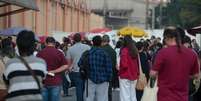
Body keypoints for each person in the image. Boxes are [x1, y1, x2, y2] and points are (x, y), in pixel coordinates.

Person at [150, 26, 200, 101]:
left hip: (165, 96)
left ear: (169, 37)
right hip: (183, 96)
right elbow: (196, 75)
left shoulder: (162, 53)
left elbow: (153, 73)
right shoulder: (192, 54)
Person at [3, 30, 47, 101]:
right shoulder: (41, 63)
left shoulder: (10, 63)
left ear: (18, 45)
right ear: (33, 45)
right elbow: (43, 81)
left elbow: (7, 82)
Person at [37, 37, 68, 101]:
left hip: (43, 81)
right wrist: (54, 71)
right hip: (56, 81)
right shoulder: (59, 53)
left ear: (46, 43)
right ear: (54, 43)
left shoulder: (40, 53)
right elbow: (65, 65)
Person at [85, 35, 112, 101]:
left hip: (90, 78)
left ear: (92, 42)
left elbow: (80, 64)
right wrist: (109, 78)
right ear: (101, 42)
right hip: (103, 79)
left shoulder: (87, 53)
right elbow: (109, 67)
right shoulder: (105, 54)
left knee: (89, 98)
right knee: (102, 98)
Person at [66, 33, 90, 101]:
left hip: (76, 71)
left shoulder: (70, 49)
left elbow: (69, 63)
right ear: (81, 39)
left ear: (73, 39)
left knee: (79, 89)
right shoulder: (87, 47)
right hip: (86, 71)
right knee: (87, 89)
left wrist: (69, 70)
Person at [119, 35, 139, 101]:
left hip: (125, 75)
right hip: (134, 75)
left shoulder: (124, 50)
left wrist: (119, 69)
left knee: (125, 95)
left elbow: (124, 65)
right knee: (133, 95)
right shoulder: (135, 50)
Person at [102, 35, 117, 101]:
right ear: (109, 41)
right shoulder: (113, 51)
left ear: (102, 41)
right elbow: (114, 64)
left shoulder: (101, 50)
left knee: (101, 93)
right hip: (110, 73)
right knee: (109, 91)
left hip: (101, 73)